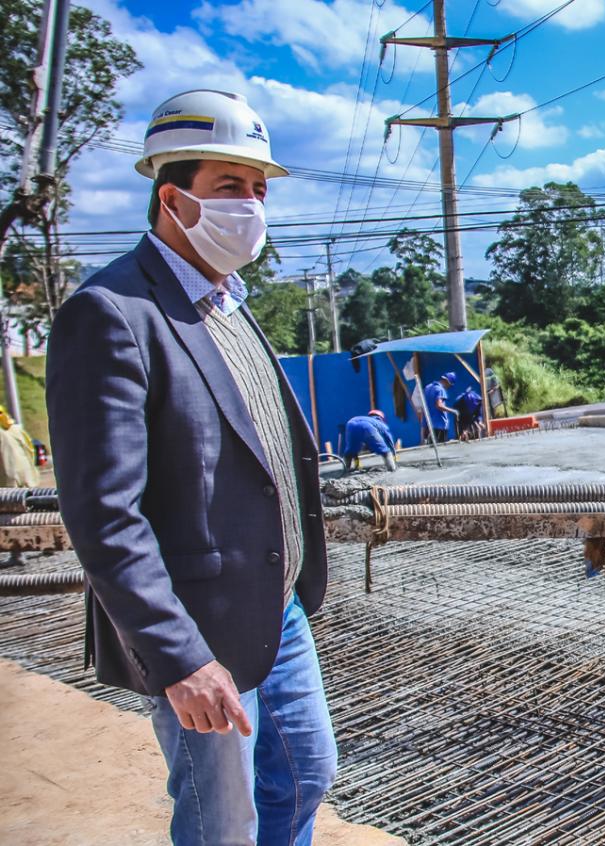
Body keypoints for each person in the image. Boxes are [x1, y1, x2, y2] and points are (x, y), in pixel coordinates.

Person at [45, 90, 335, 845]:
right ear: (172, 199)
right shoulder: (112, 313)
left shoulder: (226, 304)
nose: (253, 206)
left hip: (278, 608)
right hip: (199, 630)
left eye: (260, 189)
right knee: (222, 822)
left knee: (306, 773)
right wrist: (178, 659)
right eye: (230, 187)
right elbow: (105, 515)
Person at [423, 371, 459, 443]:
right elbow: (439, 405)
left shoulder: (427, 387)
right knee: (441, 450)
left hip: (428, 424)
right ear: (448, 382)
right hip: (439, 425)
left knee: (430, 449)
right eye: (450, 385)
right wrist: (453, 411)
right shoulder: (440, 390)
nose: (449, 388)